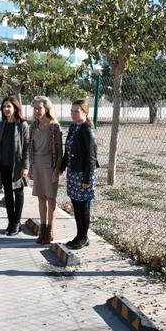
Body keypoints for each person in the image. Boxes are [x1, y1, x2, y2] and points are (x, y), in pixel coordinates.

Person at [60, 99, 99, 249]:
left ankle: (84, 237)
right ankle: (79, 235)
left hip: (84, 174)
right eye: (72, 111)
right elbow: (68, 151)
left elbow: (91, 156)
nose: (73, 114)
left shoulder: (87, 129)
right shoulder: (73, 127)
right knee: (76, 205)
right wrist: (61, 167)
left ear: (85, 112)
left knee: (84, 207)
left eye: (77, 111)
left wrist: (87, 180)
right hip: (73, 172)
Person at [0, 96, 29, 236]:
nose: (6, 109)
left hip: (17, 166)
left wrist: (25, 166)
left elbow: (27, 147)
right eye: (4, 106)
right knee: (7, 194)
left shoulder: (22, 125)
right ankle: (10, 222)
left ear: (15, 108)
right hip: (3, 166)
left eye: (9, 106)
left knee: (18, 193)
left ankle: (17, 223)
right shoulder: (0, 125)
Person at [28, 96, 62, 244]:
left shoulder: (54, 126)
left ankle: (50, 230)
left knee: (51, 198)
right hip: (37, 165)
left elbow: (60, 152)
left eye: (39, 108)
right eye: (34, 108)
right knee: (41, 198)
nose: (36, 111)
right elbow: (30, 148)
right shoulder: (33, 126)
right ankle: (42, 229)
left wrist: (57, 170)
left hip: (50, 165)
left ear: (46, 108)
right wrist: (30, 167)